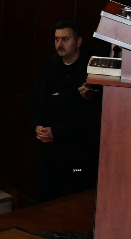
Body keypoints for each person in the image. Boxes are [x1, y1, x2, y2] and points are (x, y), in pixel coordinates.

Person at [28, 20, 101, 202]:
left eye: (65, 39)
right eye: (56, 39)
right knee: (45, 197)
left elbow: (90, 116)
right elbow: (35, 99)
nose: (59, 44)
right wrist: (37, 125)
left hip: (75, 151)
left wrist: (57, 131)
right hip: (47, 148)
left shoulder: (91, 69)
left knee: (72, 199)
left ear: (78, 41)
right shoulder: (51, 64)